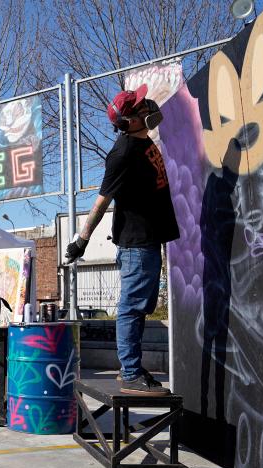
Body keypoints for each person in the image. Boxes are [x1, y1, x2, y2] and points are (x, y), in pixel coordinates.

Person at [65, 84, 179, 395]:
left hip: (148, 240)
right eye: (141, 108)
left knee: (140, 306)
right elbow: (102, 201)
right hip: (136, 243)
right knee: (131, 307)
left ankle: (131, 369)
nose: (148, 107)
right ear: (128, 122)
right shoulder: (122, 153)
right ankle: (130, 372)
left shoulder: (143, 142)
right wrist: (82, 240)